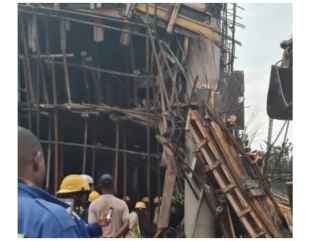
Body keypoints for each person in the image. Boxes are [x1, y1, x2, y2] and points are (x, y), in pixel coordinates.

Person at [18, 126, 106, 238]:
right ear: (37, 160)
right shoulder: (54, 219)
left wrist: (97, 226)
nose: (87, 197)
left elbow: (82, 229)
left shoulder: (67, 214)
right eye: (86, 193)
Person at [88, 174, 130, 238]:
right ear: (113, 186)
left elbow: (92, 228)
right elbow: (126, 224)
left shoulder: (93, 205)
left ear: (100, 187)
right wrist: (115, 236)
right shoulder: (122, 203)